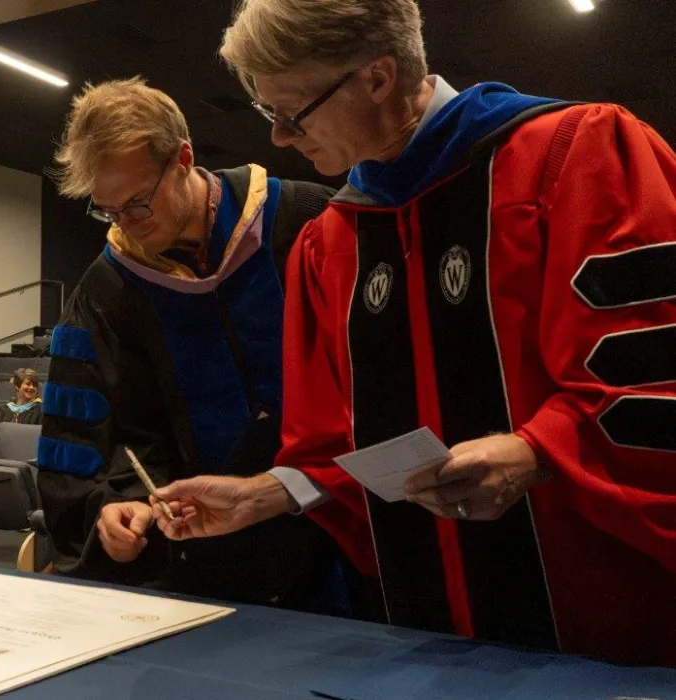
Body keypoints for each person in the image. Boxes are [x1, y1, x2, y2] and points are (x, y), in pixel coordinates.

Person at [154, 0, 676, 666]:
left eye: (293, 112)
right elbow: (336, 446)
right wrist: (264, 494)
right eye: (268, 114)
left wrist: (535, 453)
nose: (280, 138)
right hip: (422, 640)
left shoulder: (577, 154)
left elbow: (649, 382)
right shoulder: (332, 240)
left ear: (376, 77)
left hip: (600, 635)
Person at [35, 77, 344, 611]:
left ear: (183, 157)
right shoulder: (109, 290)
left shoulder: (305, 219)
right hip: (206, 556)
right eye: (107, 212)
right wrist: (117, 506)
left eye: (136, 205)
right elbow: (120, 438)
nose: (125, 228)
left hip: (338, 530)